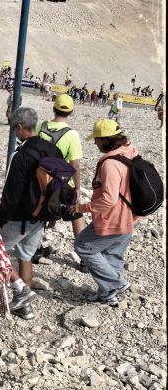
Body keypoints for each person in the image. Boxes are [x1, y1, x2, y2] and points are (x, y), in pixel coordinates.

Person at [0, 107, 63, 319]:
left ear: (19, 127)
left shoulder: (20, 156)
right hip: (42, 217)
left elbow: (12, 194)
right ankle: (24, 308)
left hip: (20, 217)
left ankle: (21, 290)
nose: (13, 131)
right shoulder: (52, 149)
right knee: (26, 256)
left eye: (13, 128)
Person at [71, 119, 141, 306]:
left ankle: (118, 283)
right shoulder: (130, 151)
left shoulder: (110, 164)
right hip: (131, 216)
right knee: (112, 254)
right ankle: (107, 294)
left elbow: (109, 199)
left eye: (97, 140)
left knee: (83, 246)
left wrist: (82, 208)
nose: (95, 143)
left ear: (106, 140)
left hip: (114, 219)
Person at [35, 94, 86, 261]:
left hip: (39, 179)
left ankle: (35, 248)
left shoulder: (40, 127)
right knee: (76, 213)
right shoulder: (72, 135)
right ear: (71, 111)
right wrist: (77, 188)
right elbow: (74, 165)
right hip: (61, 182)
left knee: (39, 210)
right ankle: (84, 259)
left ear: (53, 107)